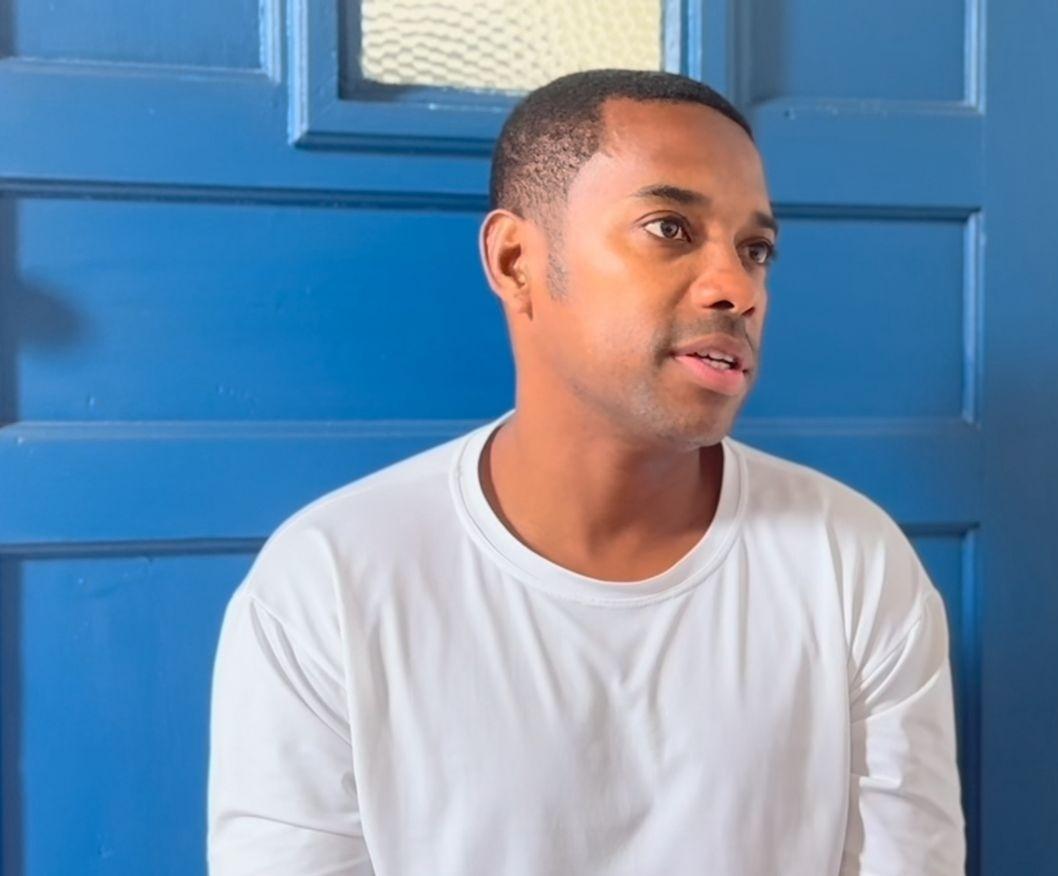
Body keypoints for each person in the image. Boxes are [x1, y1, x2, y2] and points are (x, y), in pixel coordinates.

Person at [206, 68, 965, 875]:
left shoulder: (852, 565)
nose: (738, 289)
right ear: (515, 260)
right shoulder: (327, 585)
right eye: (669, 228)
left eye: (756, 250)